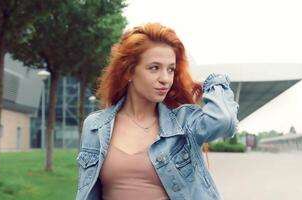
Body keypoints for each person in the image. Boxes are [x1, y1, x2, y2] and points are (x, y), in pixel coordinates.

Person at [76, 23, 239, 200]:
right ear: (129, 72)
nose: (165, 79)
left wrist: (213, 82)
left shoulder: (183, 124)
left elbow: (224, 120)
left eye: (171, 69)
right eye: (154, 68)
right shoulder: (95, 126)